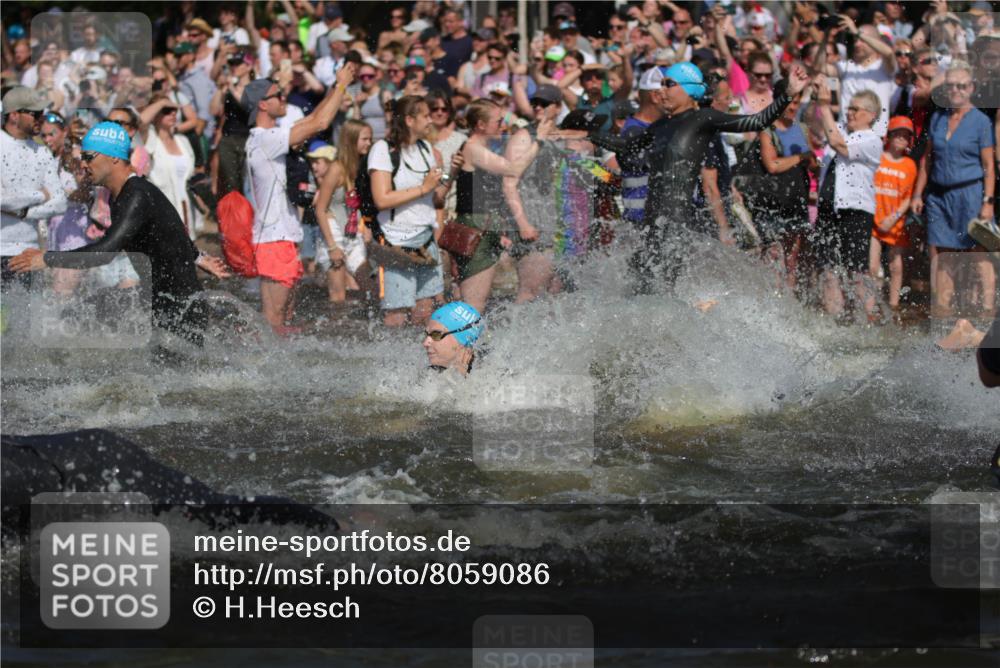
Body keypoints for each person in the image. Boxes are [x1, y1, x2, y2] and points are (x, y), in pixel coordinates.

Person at [588, 62, 811, 291]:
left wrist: (789, 93)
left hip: (677, 226)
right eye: (660, 84)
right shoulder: (659, 126)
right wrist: (588, 133)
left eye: (668, 84)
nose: (660, 90)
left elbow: (756, 121)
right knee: (640, 291)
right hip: (650, 223)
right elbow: (627, 146)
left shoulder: (702, 119)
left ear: (689, 88)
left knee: (666, 293)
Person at [8, 122, 229, 344]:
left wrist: (47, 259)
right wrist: (197, 257)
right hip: (160, 300)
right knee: (75, 314)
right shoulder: (123, 194)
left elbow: (106, 251)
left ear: (114, 157)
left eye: (89, 157)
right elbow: (168, 224)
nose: (83, 164)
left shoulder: (137, 195)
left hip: (180, 310)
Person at [240, 64, 356, 333]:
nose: (284, 98)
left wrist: (334, 88)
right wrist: (341, 86)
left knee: (285, 319)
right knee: (274, 320)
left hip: (284, 239)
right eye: (277, 95)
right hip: (273, 240)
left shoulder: (272, 136)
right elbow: (321, 123)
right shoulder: (263, 139)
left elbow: (313, 118)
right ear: (263, 105)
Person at [911, 61, 996, 330]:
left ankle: (986, 315)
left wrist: (988, 202)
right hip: (939, 195)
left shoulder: (981, 121)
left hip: (970, 193)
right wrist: (917, 194)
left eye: (962, 85)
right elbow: (927, 159)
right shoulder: (938, 118)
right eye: (951, 86)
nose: (956, 90)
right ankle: (943, 315)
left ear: (971, 88)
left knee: (978, 254)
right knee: (942, 254)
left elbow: (989, 165)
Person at [453, 98, 549, 313]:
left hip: (486, 227)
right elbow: (513, 170)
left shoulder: (482, 148)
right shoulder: (472, 148)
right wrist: (539, 141)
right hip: (475, 229)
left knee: (481, 301)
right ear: (480, 125)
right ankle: (458, 336)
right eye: (498, 121)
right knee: (473, 304)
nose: (503, 126)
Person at [368, 95, 456, 327]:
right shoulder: (382, 149)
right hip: (396, 241)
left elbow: (435, 197)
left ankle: (420, 351)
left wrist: (453, 172)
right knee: (396, 315)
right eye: (425, 116)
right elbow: (381, 199)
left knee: (426, 312)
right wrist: (423, 188)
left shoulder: (426, 148)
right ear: (409, 120)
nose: (431, 120)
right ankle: (390, 352)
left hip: (426, 239)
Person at [814, 82, 884, 319]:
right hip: (829, 209)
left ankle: (870, 319)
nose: (850, 112)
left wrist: (825, 105)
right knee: (828, 270)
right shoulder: (842, 132)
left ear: (871, 115)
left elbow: (838, 144)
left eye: (856, 109)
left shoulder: (872, 140)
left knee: (857, 272)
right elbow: (823, 130)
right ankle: (836, 321)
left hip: (855, 211)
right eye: (849, 108)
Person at [1, 87, 67, 293]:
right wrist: (39, 195)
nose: (41, 119)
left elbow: (60, 202)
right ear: (14, 115)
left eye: (42, 114)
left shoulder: (42, 152)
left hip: (29, 252)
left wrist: (24, 212)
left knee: (25, 314)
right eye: (35, 114)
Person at [315, 120, 374, 306]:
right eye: (365, 139)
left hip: (353, 232)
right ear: (351, 139)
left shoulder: (361, 166)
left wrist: (367, 227)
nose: (369, 143)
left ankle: (364, 321)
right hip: (333, 233)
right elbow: (320, 209)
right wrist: (332, 246)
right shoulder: (336, 169)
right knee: (338, 296)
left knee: (370, 286)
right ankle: (335, 324)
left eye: (370, 139)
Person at [870, 116, 917, 317]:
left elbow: (908, 198)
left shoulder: (910, 165)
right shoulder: (877, 158)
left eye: (905, 136)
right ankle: (871, 305)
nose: (901, 139)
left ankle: (894, 305)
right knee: (872, 266)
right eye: (897, 134)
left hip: (895, 221)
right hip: (874, 219)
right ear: (889, 136)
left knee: (895, 265)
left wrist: (894, 217)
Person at [138, 95, 197, 238]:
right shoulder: (149, 139)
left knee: (188, 249)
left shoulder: (183, 141)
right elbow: (140, 122)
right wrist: (163, 102)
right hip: (159, 210)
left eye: (174, 110)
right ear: (155, 114)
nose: (173, 113)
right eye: (166, 110)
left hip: (185, 208)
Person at [422, 300, 483, 375]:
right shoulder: (427, 375)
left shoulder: (489, 372)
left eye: (436, 334)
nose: (425, 343)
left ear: (464, 341)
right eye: (426, 334)